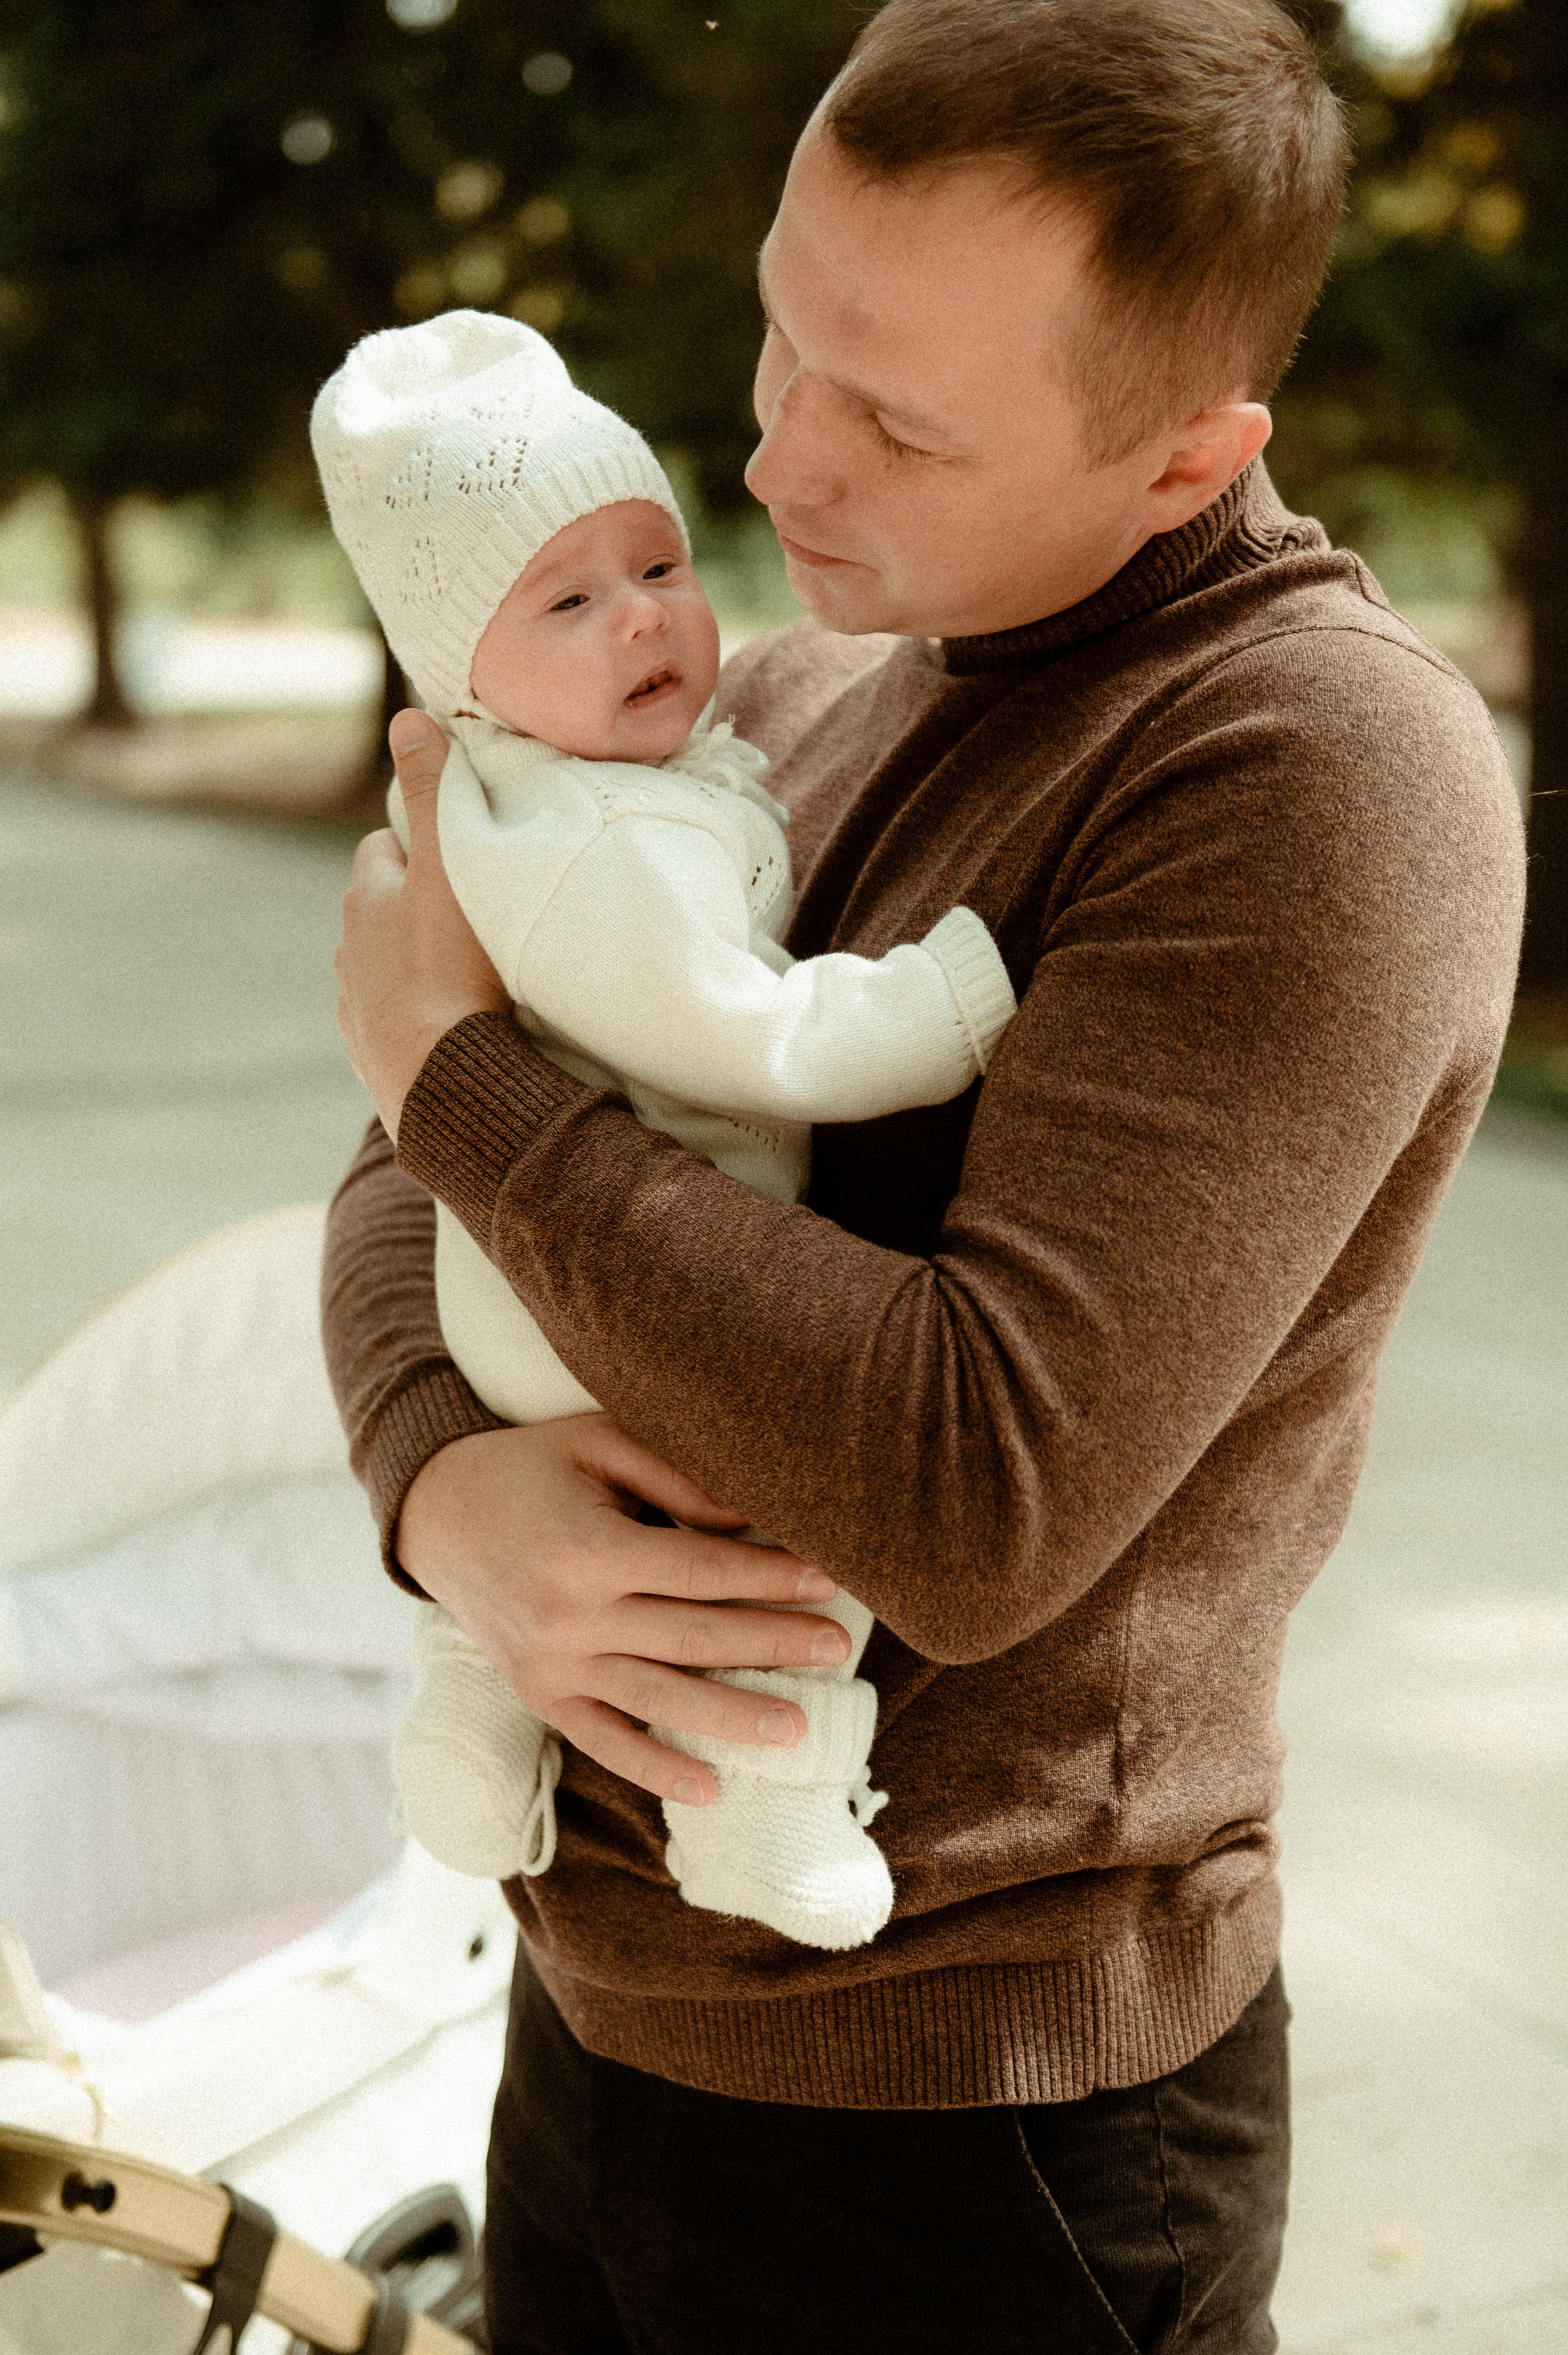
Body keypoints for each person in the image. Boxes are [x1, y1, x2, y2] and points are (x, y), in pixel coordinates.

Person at [324, 0, 1525, 2345]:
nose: (778, 452)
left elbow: (973, 1489)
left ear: (1188, 460)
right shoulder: (772, 696)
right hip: (596, 2016)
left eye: (898, 418)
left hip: (977, 2131)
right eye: (786, 333)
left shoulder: (1313, 763)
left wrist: (452, 1073)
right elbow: (403, 1176)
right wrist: (443, 1491)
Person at [309, 311, 1014, 1951]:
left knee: (625, 1524)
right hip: (592, 1309)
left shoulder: (540, 785)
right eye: (566, 600)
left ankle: (472, 1717)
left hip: (510, 1296)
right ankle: (763, 1800)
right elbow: (739, 1027)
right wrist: (942, 1002)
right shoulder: (597, 836)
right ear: (455, 668)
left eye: (658, 565)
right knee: (772, 1515)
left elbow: (421, 1073)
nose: (642, 616)